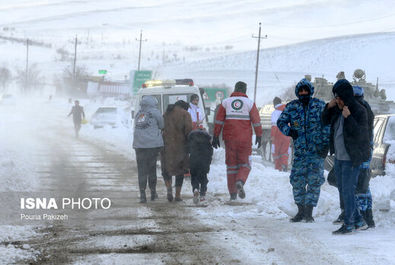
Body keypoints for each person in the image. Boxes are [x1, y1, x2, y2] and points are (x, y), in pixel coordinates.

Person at [277, 78, 330, 223]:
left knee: (314, 181)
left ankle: (309, 212)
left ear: (310, 91)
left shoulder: (319, 106)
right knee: (297, 181)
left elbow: (327, 125)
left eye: (306, 90)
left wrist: (326, 145)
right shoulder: (292, 107)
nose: (303, 93)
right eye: (301, 91)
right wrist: (289, 131)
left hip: (316, 152)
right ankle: (300, 211)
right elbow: (281, 121)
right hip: (300, 153)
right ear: (297, 92)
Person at [322, 79, 370, 234]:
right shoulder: (336, 108)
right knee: (343, 190)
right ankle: (358, 220)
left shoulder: (359, 111)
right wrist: (328, 108)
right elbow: (324, 121)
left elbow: (362, 136)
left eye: (339, 97)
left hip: (351, 158)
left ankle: (349, 224)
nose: (337, 100)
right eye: (335, 97)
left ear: (346, 96)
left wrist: (349, 118)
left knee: (348, 191)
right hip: (339, 158)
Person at [332, 85, 375, 228]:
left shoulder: (362, 110)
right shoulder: (354, 108)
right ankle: (359, 216)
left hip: (359, 154)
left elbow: (362, 134)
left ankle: (363, 216)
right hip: (354, 153)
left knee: (359, 186)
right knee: (354, 186)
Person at [212, 81, 262, 200]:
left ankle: (233, 194)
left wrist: (215, 136)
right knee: (245, 164)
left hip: (229, 139)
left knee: (231, 166)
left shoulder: (225, 103)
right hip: (244, 140)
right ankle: (240, 181)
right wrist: (259, 135)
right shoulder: (250, 103)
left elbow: (218, 121)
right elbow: (256, 121)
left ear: (235, 89)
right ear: (245, 90)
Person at [133, 96, 164, 203]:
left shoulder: (138, 114)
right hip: (152, 146)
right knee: (151, 169)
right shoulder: (155, 112)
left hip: (139, 146)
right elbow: (162, 125)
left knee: (141, 170)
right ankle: (153, 193)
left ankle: (142, 194)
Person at [162, 100, 192, 202]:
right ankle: (178, 195)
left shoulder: (166, 113)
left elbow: (161, 128)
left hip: (166, 146)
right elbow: (189, 130)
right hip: (180, 147)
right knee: (180, 171)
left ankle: (169, 189)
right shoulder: (185, 114)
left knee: (166, 169)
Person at [188, 128, 213, 204]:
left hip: (194, 161)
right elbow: (210, 154)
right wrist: (208, 164)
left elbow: (188, 150)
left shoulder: (192, 142)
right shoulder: (207, 144)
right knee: (203, 179)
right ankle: (202, 195)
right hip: (204, 163)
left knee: (194, 177)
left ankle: (195, 189)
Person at [271, 97, 291, 171]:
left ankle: (278, 168)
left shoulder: (275, 113)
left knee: (277, 151)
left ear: (274, 104)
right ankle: (284, 165)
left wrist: (272, 136)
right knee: (285, 151)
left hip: (278, 134)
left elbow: (274, 126)